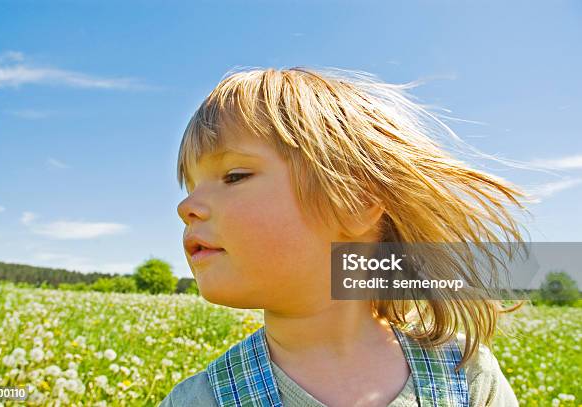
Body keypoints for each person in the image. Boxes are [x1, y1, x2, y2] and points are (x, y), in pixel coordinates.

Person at [162, 67, 526, 406]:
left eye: (234, 175)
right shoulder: (198, 399)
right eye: (191, 186)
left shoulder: (465, 376)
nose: (187, 206)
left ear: (355, 202)